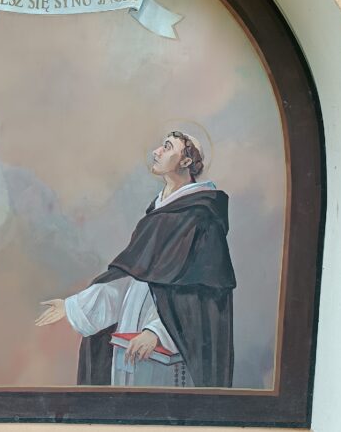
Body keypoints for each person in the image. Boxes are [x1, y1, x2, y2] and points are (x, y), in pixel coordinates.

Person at [35, 131, 236, 387]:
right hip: (132, 336)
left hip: (169, 352)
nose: (156, 152)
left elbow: (201, 298)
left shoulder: (202, 217)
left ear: (186, 161)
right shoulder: (157, 214)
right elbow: (130, 282)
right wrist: (73, 306)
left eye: (167, 147)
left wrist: (158, 332)